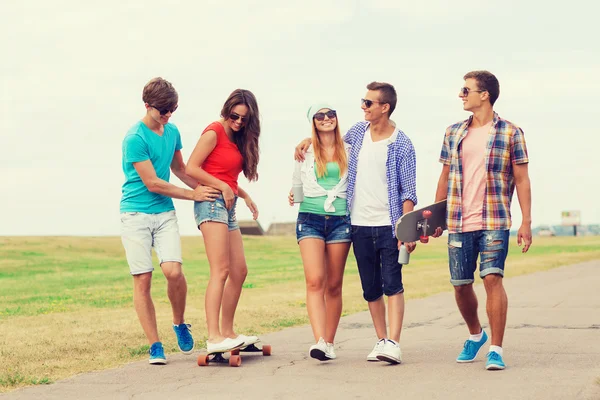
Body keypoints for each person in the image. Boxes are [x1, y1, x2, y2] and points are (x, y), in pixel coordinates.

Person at [295, 82, 418, 364]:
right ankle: (380, 340)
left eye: (368, 103)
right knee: (371, 288)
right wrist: (304, 140)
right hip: (358, 224)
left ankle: (394, 343)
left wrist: (406, 227)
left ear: (384, 107)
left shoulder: (402, 143)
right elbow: (327, 139)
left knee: (393, 284)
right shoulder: (357, 135)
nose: (362, 107)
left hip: (389, 225)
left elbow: (408, 190)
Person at [433, 70, 532, 370]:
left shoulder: (511, 132)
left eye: (466, 90)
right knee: (461, 285)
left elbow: (522, 180)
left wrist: (526, 222)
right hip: (459, 221)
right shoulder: (453, 132)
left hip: (494, 218)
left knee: (492, 278)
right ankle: (476, 334)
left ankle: (496, 349)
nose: (461, 95)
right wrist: (435, 216)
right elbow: (445, 176)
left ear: (484, 94)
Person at [120, 77, 220, 364]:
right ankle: (155, 345)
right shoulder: (135, 138)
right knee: (143, 279)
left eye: (171, 110)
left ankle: (179, 322)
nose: (167, 115)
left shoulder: (172, 131)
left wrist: (206, 188)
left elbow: (179, 168)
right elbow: (153, 183)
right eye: (162, 110)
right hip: (135, 214)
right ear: (147, 105)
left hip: (163, 213)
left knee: (174, 272)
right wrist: (193, 196)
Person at [185, 89, 261, 355]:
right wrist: (222, 187)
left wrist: (246, 195)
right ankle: (214, 336)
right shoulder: (214, 131)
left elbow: (226, 176)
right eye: (234, 116)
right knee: (221, 270)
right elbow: (191, 167)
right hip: (210, 202)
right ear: (226, 110)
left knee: (239, 271)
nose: (238, 122)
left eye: (244, 119)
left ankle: (228, 333)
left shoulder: (237, 137)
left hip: (228, 205)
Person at [288, 103, 351, 361]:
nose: (326, 119)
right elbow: (297, 181)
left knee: (334, 285)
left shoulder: (350, 148)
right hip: (310, 219)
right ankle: (319, 341)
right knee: (315, 280)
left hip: (341, 221)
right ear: (313, 121)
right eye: (320, 116)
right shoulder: (305, 151)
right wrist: (293, 193)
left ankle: (330, 342)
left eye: (331, 114)